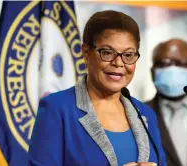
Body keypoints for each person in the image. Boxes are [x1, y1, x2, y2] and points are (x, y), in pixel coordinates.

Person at [28, 10, 166, 166]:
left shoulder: (145, 114)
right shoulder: (57, 109)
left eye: (128, 55)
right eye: (107, 53)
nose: (119, 63)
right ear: (86, 53)